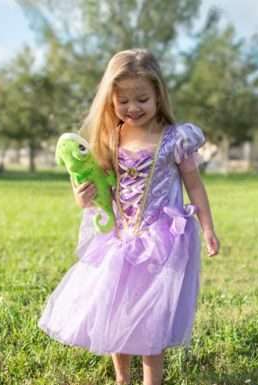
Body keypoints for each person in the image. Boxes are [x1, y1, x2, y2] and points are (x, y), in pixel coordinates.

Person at [37, 48, 220, 385]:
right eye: (123, 101)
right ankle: (122, 378)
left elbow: (194, 185)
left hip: (161, 239)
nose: (133, 108)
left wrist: (207, 227)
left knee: (152, 316)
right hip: (119, 238)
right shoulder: (111, 137)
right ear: (111, 100)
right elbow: (100, 190)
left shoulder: (175, 139)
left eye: (142, 99)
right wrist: (82, 198)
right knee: (115, 307)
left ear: (158, 96)